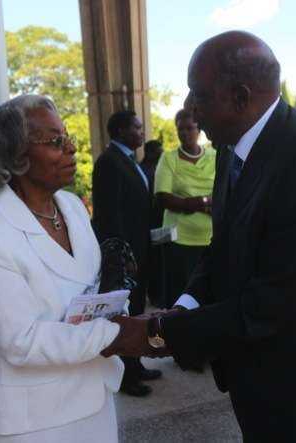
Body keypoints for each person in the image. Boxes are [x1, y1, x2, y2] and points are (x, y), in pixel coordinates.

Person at [101, 31, 296, 442]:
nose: (191, 109)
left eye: (199, 96)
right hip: (260, 377)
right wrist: (182, 308)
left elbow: (275, 301)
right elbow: (222, 247)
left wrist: (158, 333)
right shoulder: (233, 147)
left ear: (241, 97)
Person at [0, 94, 122, 442]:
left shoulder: (72, 206)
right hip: (32, 419)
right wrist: (119, 334)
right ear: (16, 155)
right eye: (56, 141)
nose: (72, 148)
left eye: (68, 137)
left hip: (92, 394)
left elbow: (86, 290)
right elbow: (21, 340)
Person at [91, 110, 162, 397]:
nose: (142, 131)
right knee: (124, 313)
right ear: (120, 130)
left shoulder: (129, 161)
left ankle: (136, 364)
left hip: (140, 250)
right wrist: (122, 255)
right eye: (136, 127)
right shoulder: (109, 162)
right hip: (126, 255)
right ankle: (126, 376)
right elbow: (111, 213)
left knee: (136, 310)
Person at [154, 109, 216, 308]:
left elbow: (225, 193)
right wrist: (203, 202)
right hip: (177, 239)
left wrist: (188, 202)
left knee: (207, 294)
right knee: (178, 293)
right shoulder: (169, 158)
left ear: (199, 129)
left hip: (210, 238)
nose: (185, 133)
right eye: (181, 129)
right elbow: (163, 197)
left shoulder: (215, 156)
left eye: (190, 128)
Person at [140, 140, 166, 308]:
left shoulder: (156, 169)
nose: (162, 153)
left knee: (160, 259)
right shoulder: (144, 170)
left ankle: (158, 293)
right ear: (150, 152)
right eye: (159, 150)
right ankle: (154, 294)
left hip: (161, 224)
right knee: (153, 261)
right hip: (149, 224)